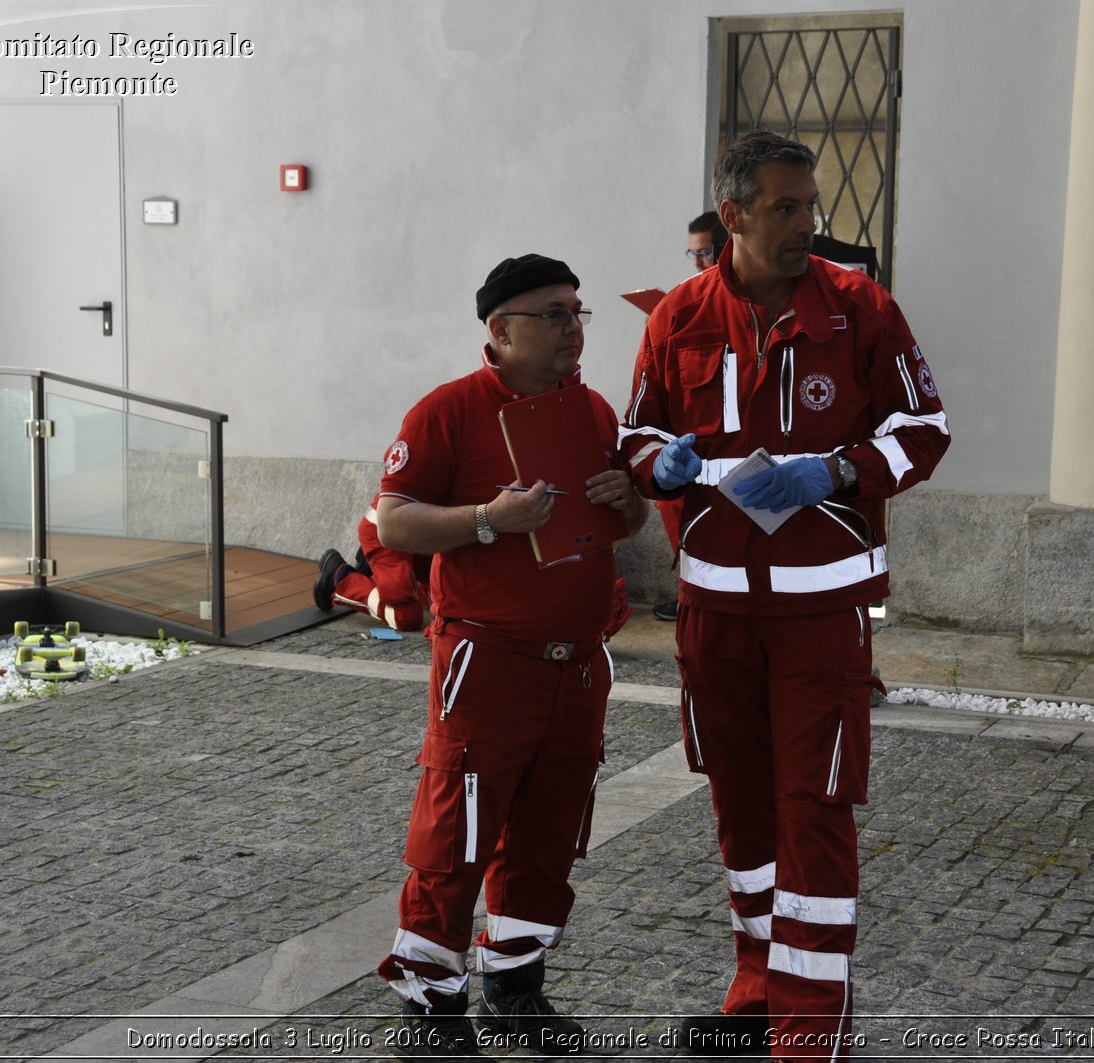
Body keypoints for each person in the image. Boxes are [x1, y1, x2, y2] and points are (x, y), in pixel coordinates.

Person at [619, 132, 949, 1058]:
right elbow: (636, 436)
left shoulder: (859, 306)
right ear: (734, 216)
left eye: (811, 206)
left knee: (815, 811)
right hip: (713, 611)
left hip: (820, 614)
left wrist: (837, 469)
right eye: (787, 207)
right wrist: (664, 466)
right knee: (743, 810)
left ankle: (810, 1036)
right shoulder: (677, 316)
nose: (809, 224)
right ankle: (757, 996)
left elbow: (926, 427)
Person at [372, 253, 647, 1056]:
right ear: (502, 330)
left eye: (577, 313)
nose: (573, 329)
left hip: (578, 663)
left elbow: (621, 521)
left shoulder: (592, 410)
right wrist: (488, 519)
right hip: (486, 661)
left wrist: (625, 504)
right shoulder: (449, 411)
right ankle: (430, 1006)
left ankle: (514, 988)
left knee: (550, 830)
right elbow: (394, 523)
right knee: (455, 831)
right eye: (554, 315)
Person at [651, 211, 735, 623]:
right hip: (689, 439)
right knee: (675, 512)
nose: (699, 262)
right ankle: (689, 589)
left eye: (706, 252)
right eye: (693, 253)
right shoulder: (684, 305)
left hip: (730, 446)